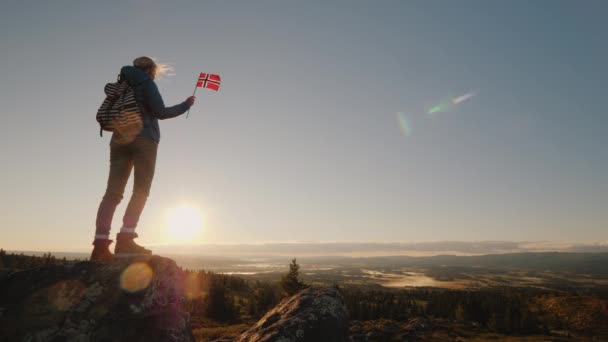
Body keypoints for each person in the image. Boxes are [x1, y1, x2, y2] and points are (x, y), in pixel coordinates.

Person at [91, 56, 196, 261]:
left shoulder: (122, 84)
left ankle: (100, 245)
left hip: (119, 139)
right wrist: (185, 105)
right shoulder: (146, 83)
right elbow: (161, 112)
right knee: (141, 190)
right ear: (150, 70)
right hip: (144, 138)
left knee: (112, 194)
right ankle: (126, 239)